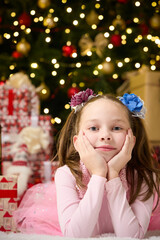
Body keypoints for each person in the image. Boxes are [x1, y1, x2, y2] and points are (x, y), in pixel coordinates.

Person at [13, 89, 160, 238]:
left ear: (131, 139)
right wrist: (98, 174)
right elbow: (75, 236)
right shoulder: (66, 174)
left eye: (116, 128)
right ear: (77, 142)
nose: (105, 136)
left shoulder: (144, 176)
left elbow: (132, 236)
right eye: (94, 128)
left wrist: (114, 175)